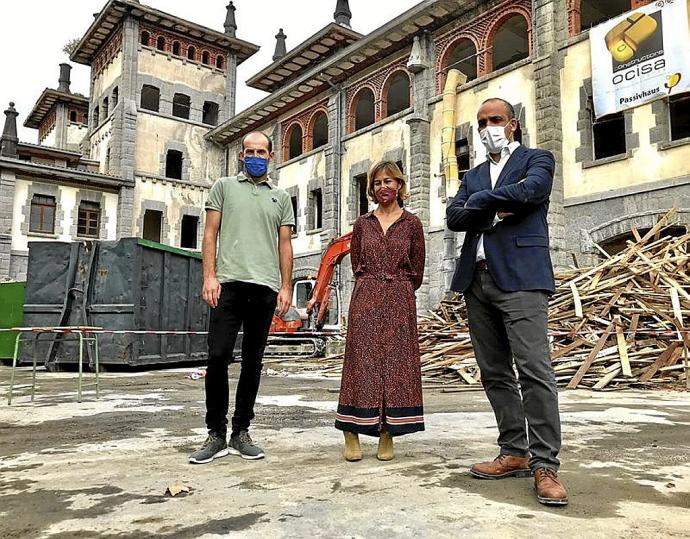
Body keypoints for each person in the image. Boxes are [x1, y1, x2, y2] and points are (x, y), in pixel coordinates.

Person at [446, 98, 568, 506]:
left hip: (521, 279)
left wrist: (480, 204)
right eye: (481, 122)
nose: (487, 128)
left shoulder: (538, 159)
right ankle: (514, 451)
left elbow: (532, 192)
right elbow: (453, 216)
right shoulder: (474, 173)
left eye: (495, 120)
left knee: (534, 370)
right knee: (495, 372)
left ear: (512, 124)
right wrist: (497, 208)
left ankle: (545, 464)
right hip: (476, 281)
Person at [189, 131, 294, 464]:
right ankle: (216, 434)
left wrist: (286, 286)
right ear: (241, 156)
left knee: (253, 362)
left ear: (271, 156)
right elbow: (209, 234)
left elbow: (285, 245)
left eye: (261, 151)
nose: (255, 156)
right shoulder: (223, 188)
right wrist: (209, 276)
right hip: (228, 284)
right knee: (218, 356)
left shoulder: (281, 197)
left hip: (264, 287)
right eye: (249, 151)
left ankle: (241, 432)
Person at [335, 160, 426, 462]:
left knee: (396, 364)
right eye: (376, 183)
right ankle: (351, 430)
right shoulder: (362, 224)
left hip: (400, 295)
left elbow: (418, 270)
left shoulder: (412, 224)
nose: (382, 186)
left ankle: (387, 433)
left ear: (400, 185)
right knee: (361, 362)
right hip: (367, 294)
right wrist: (373, 286)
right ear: (371, 189)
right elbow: (357, 263)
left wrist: (398, 289)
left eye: (389, 181)